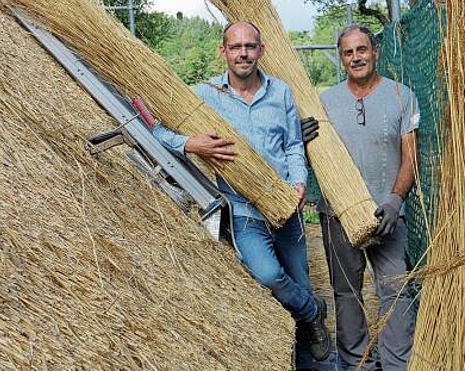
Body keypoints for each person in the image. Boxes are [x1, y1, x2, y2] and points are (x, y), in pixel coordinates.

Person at [152, 21, 330, 369]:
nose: (243, 53)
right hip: (243, 209)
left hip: (285, 206)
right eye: (236, 47)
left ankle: (311, 362)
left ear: (261, 51)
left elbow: (294, 146)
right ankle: (313, 313)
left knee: (300, 282)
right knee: (267, 276)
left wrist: (299, 181)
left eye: (250, 46)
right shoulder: (204, 96)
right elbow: (157, 129)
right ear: (224, 52)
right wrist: (190, 143)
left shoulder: (280, 93)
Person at [302, 24, 419, 371]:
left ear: (375, 52)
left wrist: (395, 202)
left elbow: (411, 156)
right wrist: (300, 137)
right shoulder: (325, 102)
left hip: (387, 214)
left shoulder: (401, 96)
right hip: (338, 213)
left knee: (396, 291)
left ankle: (397, 365)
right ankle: (359, 366)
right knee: (346, 294)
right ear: (341, 59)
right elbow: (315, 155)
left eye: (362, 50)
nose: (356, 57)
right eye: (349, 53)